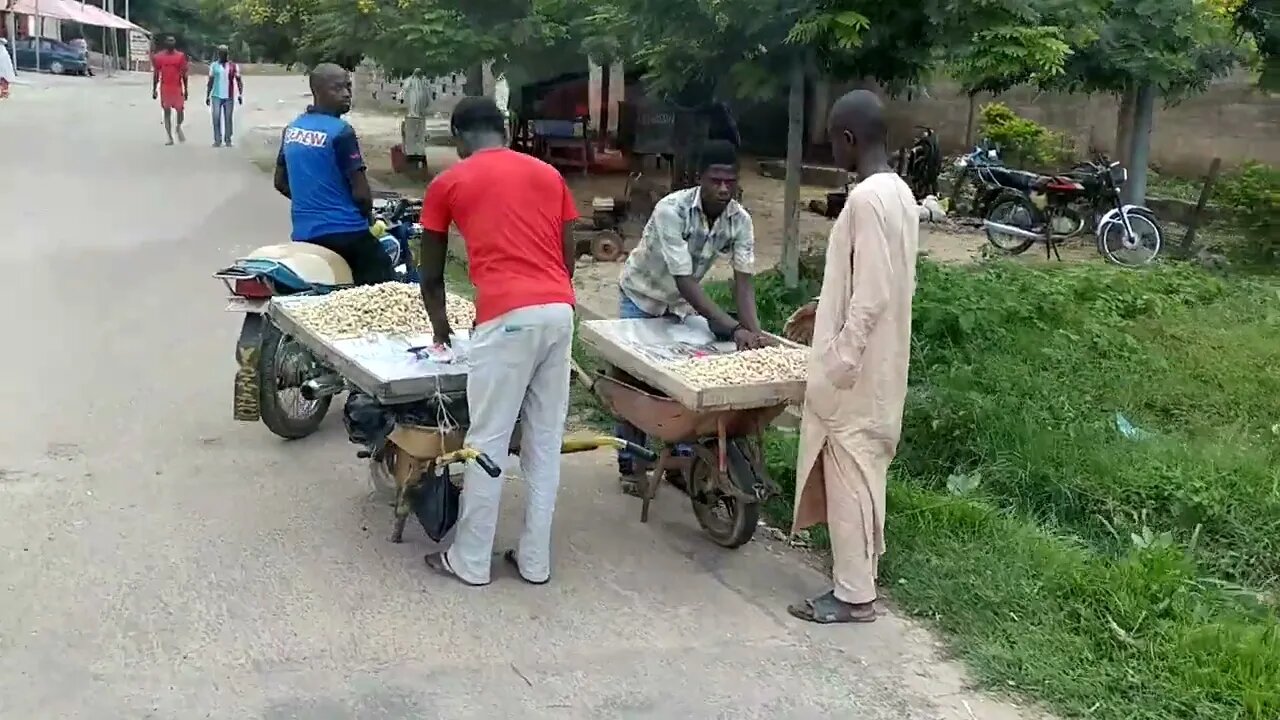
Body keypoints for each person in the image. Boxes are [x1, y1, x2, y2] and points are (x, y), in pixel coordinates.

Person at [417, 96, 578, 587]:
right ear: (504, 129)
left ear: (459, 136)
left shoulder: (448, 182)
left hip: (505, 317)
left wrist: (441, 328)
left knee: (485, 443)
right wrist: (550, 299)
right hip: (558, 311)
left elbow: (431, 274)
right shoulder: (548, 175)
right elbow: (570, 249)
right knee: (544, 443)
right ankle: (534, 563)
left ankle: (469, 562)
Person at [788, 89, 920, 624]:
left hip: (858, 368)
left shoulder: (865, 199)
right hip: (885, 358)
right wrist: (824, 308)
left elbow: (871, 293)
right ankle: (857, 583)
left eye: (832, 143)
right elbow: (879, 277)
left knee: (848, 470)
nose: (832, 153)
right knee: (865, 470)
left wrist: (839, 356)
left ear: (848, 139)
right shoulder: (900, 193)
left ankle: (853, 596)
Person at [612, 139, 770, 496]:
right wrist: (732, 328)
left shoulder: (739, 221)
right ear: (700, 179)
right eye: (715, 180)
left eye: (730, 181)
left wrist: (754, 333)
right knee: (633, 382)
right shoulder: (673, 210)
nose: (723, 188)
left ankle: (683, 462)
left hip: (680, 306)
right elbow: (685, 282)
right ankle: (631, 464)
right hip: (642, 295)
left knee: (684, 379)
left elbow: (743, 283)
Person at [273, 63, 391, 285]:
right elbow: (362, 195)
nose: (346, 94)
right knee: (387, 289)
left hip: (303, 235)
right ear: (317, 90)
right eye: (337, 88)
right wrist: (367, 215)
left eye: (348, 87)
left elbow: (280, 182)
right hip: (347, 234)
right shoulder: (341, 132)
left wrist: (313, 201)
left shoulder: (292, 129)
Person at [151, 35, 189, 145]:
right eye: (169, 41)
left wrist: (186, 89)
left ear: (175, 43)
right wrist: (154, 89)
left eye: (173, 41)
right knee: (166, 112)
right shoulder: (159, 57)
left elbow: (184, 74)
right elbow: (156, 74)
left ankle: (178, 126)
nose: (171, 42)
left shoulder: (180, 56)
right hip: (165, 88)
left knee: (180, 111)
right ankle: (169, 137)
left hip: (177, 87)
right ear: (165, 43)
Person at [205, 45, 243, 148]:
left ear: (227, 54)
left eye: (225, 53)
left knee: (228, 118)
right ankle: (217, 139)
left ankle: (228, 139)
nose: (223, 55)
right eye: (221, 53)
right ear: (218, 54)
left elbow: (239, 81)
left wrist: (240, 94)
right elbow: (210, 81)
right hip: (216, 95)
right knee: (216, 117)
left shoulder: (233, 66)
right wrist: (207, 95)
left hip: (229, 96)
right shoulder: (214, 66)